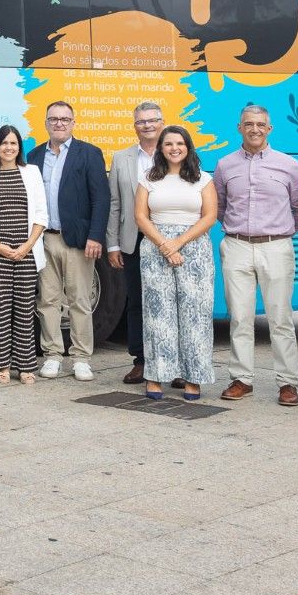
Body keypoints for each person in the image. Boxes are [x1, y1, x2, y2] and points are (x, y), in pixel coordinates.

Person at [212, 104, 298, 406]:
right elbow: (219, 206)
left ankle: (288, 383)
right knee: (240, 317)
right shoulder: (225, 165)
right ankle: (241, 379)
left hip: (276, 246)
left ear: (269, 129)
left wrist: (279, 231)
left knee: (280, 318)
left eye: (260, 124)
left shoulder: (289, 165)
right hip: (237, 245)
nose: (254, 129)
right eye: (248, 124)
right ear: (239, 128)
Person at [27, 101, 109, 381]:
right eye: (54, 119)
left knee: (79, 300)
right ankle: (52, 355)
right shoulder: (35, 155)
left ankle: (81, 357)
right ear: (46, 123)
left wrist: (95, 236)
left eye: (65, 119)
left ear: (73, 123)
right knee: (47, 300)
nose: (59, 123)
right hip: (43, 240)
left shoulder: (89, 153)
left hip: (77, 241)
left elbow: (101, 199)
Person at [134, 126, 218, 400]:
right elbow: (141, 216)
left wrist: (177, 243)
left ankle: (193, 377)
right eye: (168, 144)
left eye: (180, 143)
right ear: (161, 148)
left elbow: (209, 216)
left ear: (188, 147)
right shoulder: (148, 178)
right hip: (155, 247)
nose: (174, 148)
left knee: (195, 314)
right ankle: (156, 375)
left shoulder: (203, 179)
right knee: (158, 314)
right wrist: (164, 245)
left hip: (194, 248)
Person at [0, 125, 46, 384]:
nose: (9, 147)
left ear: (19, 147)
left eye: (13, 143)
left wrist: (26, 246)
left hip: (27, 251)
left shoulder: (32, 172)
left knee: (25, 309)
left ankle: (26, 366)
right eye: (4, 143)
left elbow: (41, 214)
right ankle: (1, 363)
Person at [107, 101, 165, 385]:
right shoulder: (121, 158)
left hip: (168, 239)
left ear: (162, 123)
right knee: (137, 302)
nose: (147, 125)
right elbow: (115, 204)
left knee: (168, 302)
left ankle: (172, 363)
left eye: (152, 120)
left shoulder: (176, 152)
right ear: (134, 126)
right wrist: (113, 244)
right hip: (133, 239)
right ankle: (141, 360)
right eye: (141, 121)